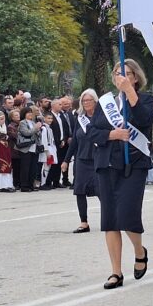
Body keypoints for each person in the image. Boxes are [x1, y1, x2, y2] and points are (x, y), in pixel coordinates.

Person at [87, 59, 153, 290]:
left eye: (125, 73)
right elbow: (92, 131)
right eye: (117, 73)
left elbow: (145, 120)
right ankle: (116, 272)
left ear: (135, 77)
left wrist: (129, 92)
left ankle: (139, 251)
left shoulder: (145, 99)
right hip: (107, 165)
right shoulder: (105, 102)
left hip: (133, 165)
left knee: (128, 216)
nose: (120, 77)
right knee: (110, 220)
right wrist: (111, 135)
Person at [63, 89, 99, 233]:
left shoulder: (101, 118)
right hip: (82, 159)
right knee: (80, 191)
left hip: (98, 158)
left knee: (102, 191)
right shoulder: (80, 118)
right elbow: (74, 141)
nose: (86, 103)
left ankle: (111, 219)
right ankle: (84, 222)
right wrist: (66, 160)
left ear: (95, 101)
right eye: (84, 101)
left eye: (89, 100)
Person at [15, 106, 42, 192]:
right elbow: (26, 133)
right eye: (28, 112)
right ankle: (24, 185)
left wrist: (38, 130)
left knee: (33, 168)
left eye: (31, 112)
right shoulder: (23, 123)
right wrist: (36, 128)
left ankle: (31, 184)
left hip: (34, 147)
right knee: (25, 168)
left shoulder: (33, 122)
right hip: (26, 148)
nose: (30, 114)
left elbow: (38, 134)